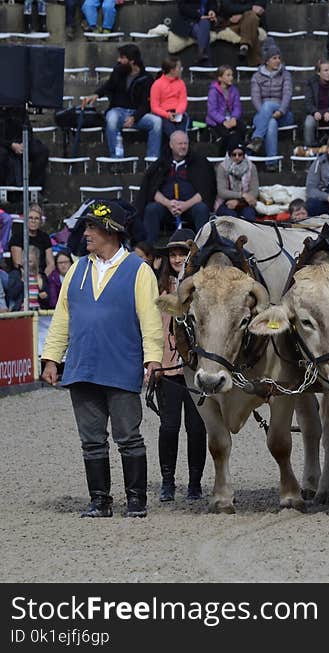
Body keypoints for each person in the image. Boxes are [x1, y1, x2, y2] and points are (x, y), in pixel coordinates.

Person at [41, 201, 164, 519]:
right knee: (91, 440)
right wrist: (52, 358)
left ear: (112, 231)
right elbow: (62, 318)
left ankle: (136, 500)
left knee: (128, 437)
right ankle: (100, 501)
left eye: (92, 227)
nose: (86, 233)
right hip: (82, 367)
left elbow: (150, 319)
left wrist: (153, 359)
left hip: (121, 366)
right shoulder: (77, 269)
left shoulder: (139, 271)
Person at [154, 228, 208, 501]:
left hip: (195, 367)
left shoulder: (202, 287)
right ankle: (167, 481)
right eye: (173, 254)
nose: (176, 258)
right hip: (168, 368)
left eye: (182, 253)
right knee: (169, 427)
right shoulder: (159, 287)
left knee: (197, 428)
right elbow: (151, 327)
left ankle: (195, 482)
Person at [82, 44, 161, 160]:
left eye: (122, 57)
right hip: (117, 110)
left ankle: (152, 159)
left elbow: (146, 104)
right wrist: (96, 94)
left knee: (157, 122)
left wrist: (134, 117)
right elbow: (109, 86)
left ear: (132, 61)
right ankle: (117, 158)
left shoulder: (147, 78)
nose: (118, 60)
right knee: (112, 119)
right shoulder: (118, 71)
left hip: (136, 114)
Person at [138, 131, 215, 246]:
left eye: (186, 143)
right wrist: (168, 203)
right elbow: (151, 189)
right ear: (171, 145)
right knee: (151, 209)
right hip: (167, 207)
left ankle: (202, 247)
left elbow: (205, 190)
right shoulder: (161, 163)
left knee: (202, 209)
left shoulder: (199, 163)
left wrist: (185, 205)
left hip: (190, 206)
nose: (183, 146)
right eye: (180, 144)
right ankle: (148, 248)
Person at [248, 39, 294, 168]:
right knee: (271, 123)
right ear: (267, 61)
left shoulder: (286, 75)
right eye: (274, 58)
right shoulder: (256, 77)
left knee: (268, 105)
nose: (278, 61)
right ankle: (272, 162)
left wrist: (281, 111)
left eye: (279, 58)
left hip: (284, 113)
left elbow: (287, 95)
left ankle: (256, 137)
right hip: (264, 113)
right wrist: (266, 113)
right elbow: (255, 98)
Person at [0, 106, 49, 189]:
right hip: (3, 144)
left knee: (42, 151)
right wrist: (11, 145)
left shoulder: (19, 107)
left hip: (21, 142)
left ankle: (34, 189)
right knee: (2, 155)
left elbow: (28, 129)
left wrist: (24, 143)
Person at [303, 59, 329, 148]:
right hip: (316, 113)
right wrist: (314, 111)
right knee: (309, 122)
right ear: (319, 73)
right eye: (325, 70)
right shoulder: (310, 83)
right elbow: (308, 102)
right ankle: (310, 149)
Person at [215, 141, 260, 221]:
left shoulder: (251, 167)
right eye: (234, 154)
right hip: (226, 202)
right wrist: (241, 195)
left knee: (249, 216)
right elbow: (222, 192)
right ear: (229, 154)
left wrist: (239, 202)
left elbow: (254, 191)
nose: (237, 157)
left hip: (246, 203)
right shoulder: (222, 167)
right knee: (231, 217)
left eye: (240, 154)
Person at [206, 65, 246, 156]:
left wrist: (234, 118)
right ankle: (222, 155)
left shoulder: (234, 90)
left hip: (231, 118)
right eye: (228, 75)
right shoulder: (213, 91)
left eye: (232, 75)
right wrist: (223, 121)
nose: (231, 77)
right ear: (220, 78)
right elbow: (211, 111)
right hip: (217, 121)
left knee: (242, 127)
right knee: (225, 133)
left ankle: (240, 152)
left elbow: (237, 107)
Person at [9, 204, 55, 278]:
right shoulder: (17, 237)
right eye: (30, 218)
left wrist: (43, 278)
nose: (33, 221)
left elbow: (51, 264)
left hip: (41, 275)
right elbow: (17, 263)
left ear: (40, 221)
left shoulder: (45, 237)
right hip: (21, 275)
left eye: (36, 218)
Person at [216, 0, 266, 66]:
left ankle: (244, 46)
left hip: (252, 21)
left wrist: (242, 15)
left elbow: (259, 8)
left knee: (251, 17)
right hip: (232, 22)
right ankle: (256, 64)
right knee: (252, 19)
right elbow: (227, 7)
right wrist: (250, 8)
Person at [150, 57, 190, 139]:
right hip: (163, 114)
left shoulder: (181, 83)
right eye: (179, 68)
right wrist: (167, 115)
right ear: (172, 70)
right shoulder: (157, 84)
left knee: (182, 131)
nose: (181, 70)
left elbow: (183, 101)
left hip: (178, 113)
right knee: (173, 134)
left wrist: (178, 112)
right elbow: (154, 107)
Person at [171, 0, 218, 65]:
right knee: (203, 33)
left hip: (205, 19)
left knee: (205, 24)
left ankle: (200, 54)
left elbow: (213, 3)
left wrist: (211, 10)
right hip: (188, 19)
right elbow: (182, 7)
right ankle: (205, 60)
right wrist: (199, 16)